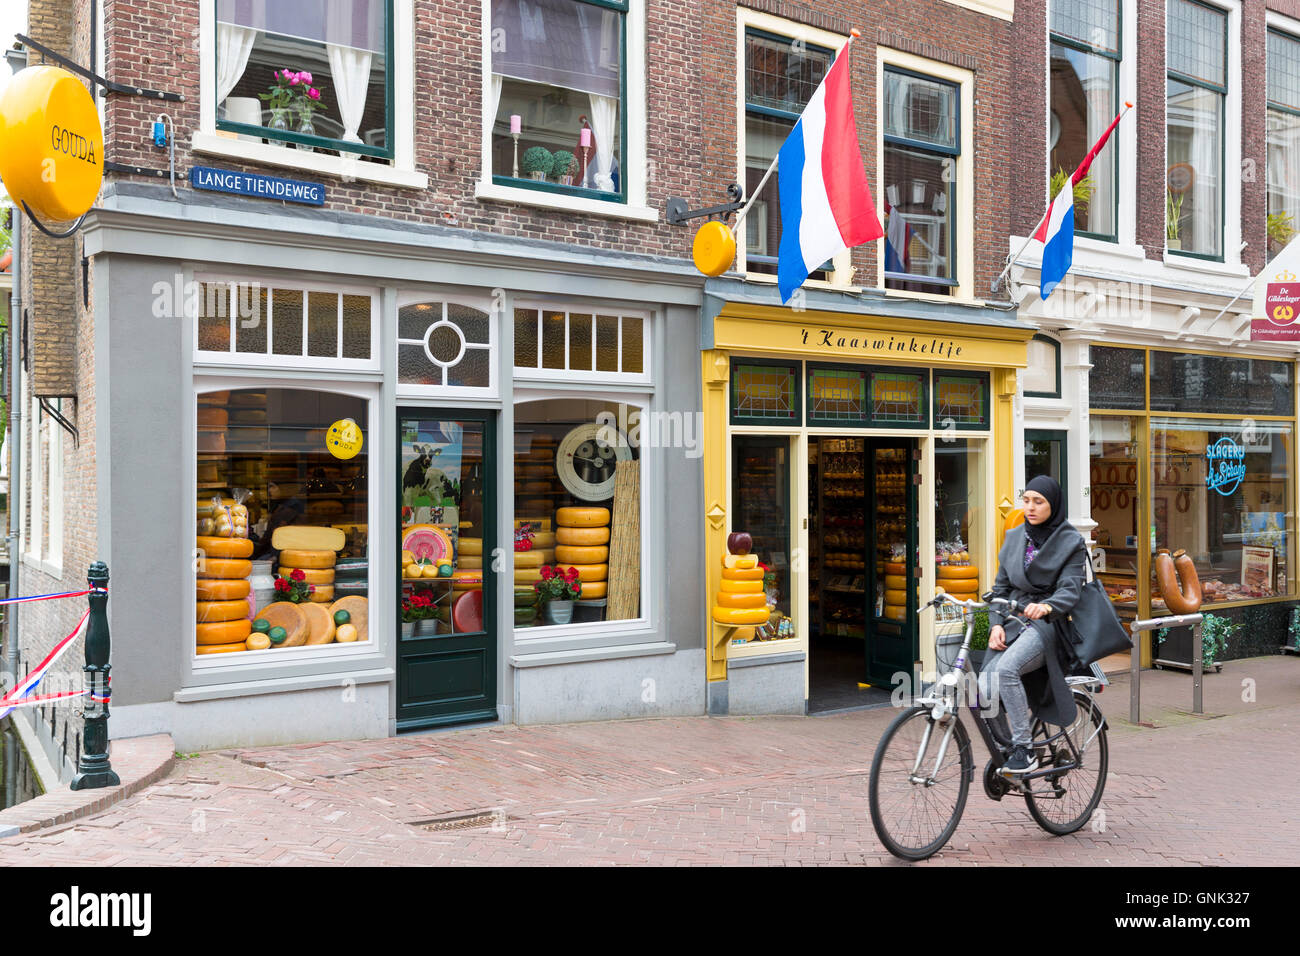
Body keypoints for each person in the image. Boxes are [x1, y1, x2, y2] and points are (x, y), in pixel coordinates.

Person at [982, 475, 1089, 774]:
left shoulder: (1071, 541)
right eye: (1026, 500)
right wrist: (994, 625)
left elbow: (1071, 588)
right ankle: (1004, 745)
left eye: (1038, 502)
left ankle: (1024, 749)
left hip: (1048, 626)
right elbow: (1000, 589)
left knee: (1006, 670)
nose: (1030, 507)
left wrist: (1047, 605)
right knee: (980, 685)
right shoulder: (1015, 537)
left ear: (1052, 505)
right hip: (1013, 620)